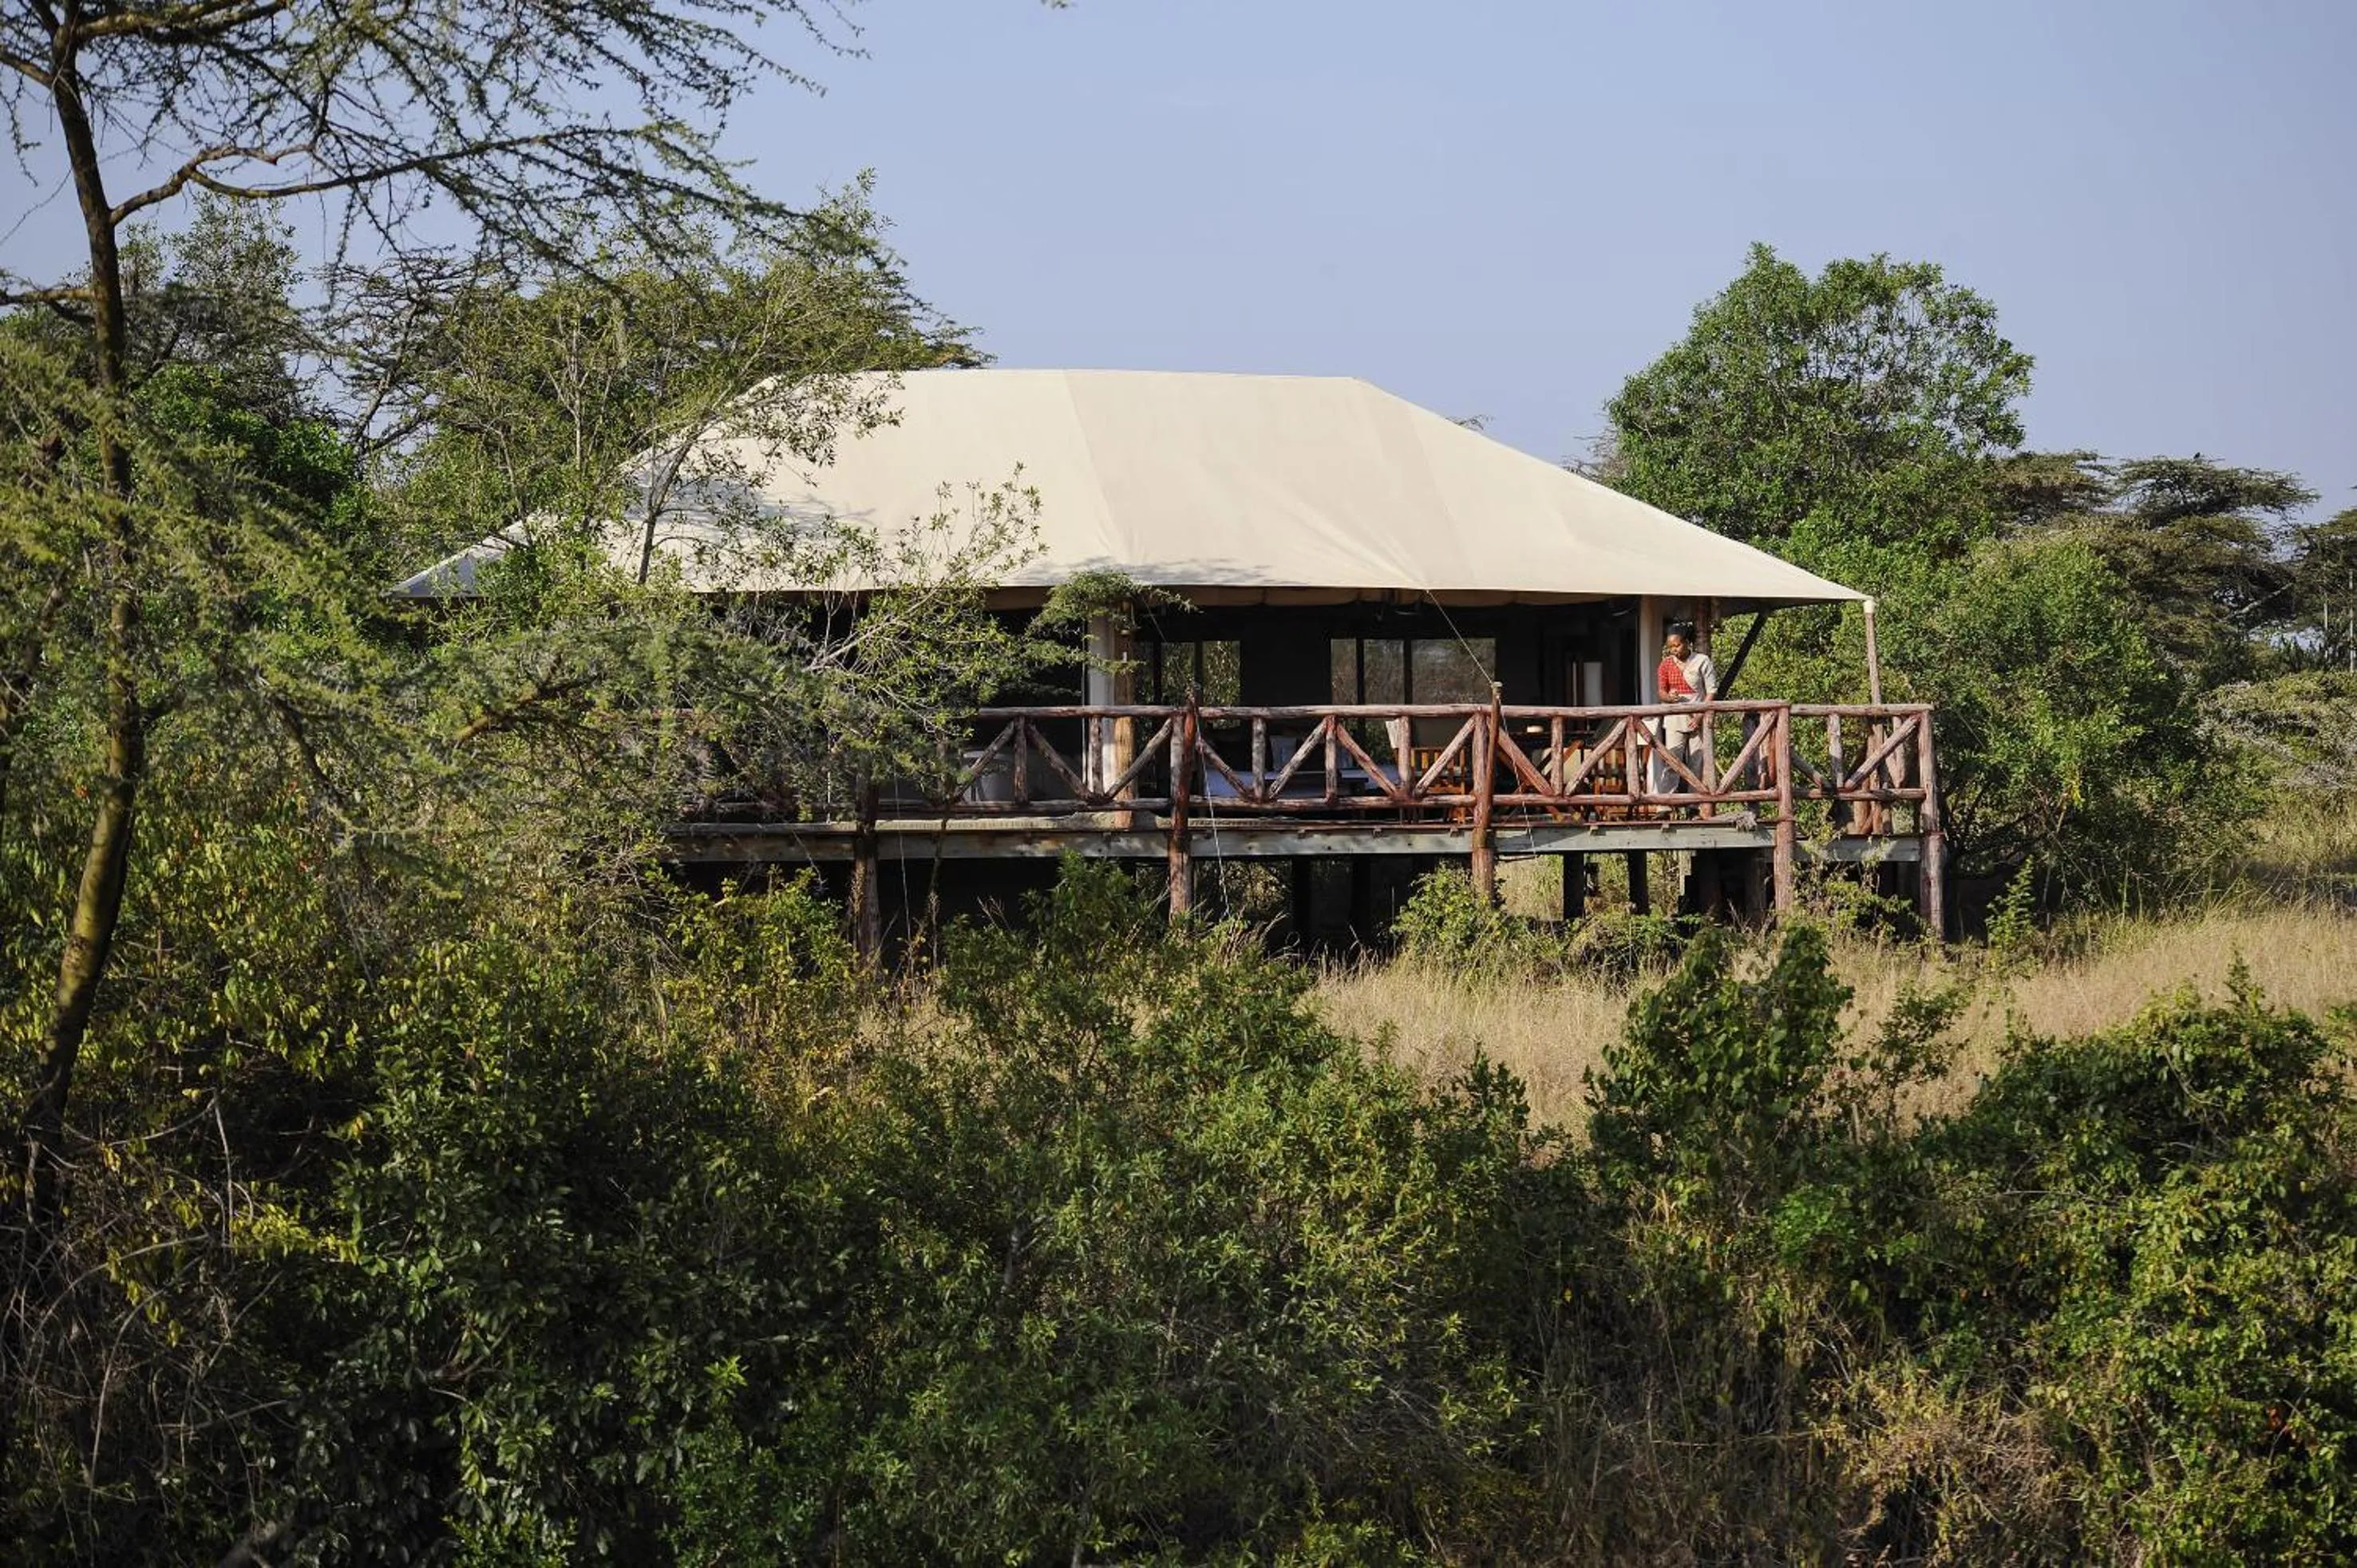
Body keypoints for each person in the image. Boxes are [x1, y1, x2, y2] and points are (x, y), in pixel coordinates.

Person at [1653, 625, 1717, 801]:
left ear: (1687, 643)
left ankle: (1693, 804)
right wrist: (1669, 697)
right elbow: (1661, 691)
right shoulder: (1666, 664)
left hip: (1698, 715)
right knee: (1673, 760)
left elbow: (1711, 691)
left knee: (1697, 763)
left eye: (1677, 645)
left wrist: (1699, 715)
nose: (1674, 650)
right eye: (1670, 647)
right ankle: (1665, 803)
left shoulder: (1702, 661)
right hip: (1675, 718)